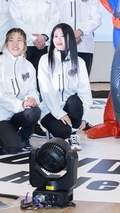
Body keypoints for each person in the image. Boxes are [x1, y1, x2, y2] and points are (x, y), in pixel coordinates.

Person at [0, 28, 41, 153]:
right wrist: (20, 104)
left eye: (19, 40)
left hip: (18, 111)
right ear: (6, 43)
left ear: (24, 44)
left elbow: (32, 89)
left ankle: (24, 136)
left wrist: (31, 99)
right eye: (11, 40)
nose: (15, 44)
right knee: (14, 147)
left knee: (34, 111)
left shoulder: (28, 66)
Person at [38, 23, 92, 151]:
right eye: (55, 36)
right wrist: (59, 113)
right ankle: (61, 131)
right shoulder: (45, 60)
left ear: (70, 39)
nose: (58, 39)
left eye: (62, 36)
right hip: (49, 109)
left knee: (75, 100)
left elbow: (84, 91)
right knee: (63, 132)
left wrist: (85, 117)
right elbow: (46, 91)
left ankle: (73, 134)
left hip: (69, 107)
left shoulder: (79, 62)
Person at [9, 0, 60, 76]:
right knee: (23, 78)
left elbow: (54, 17)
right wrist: (34, 39)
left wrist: (44, 36)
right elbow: (15, 19)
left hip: (43, 45)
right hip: (23, 45)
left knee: (41, 79)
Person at [53, 0, 102, 74]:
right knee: (62, 79)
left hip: (84, 44)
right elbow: (53, 18)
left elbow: (96, 18)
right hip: (62, 44)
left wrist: (79, 32)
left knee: (83, 80)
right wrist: (68, 36)